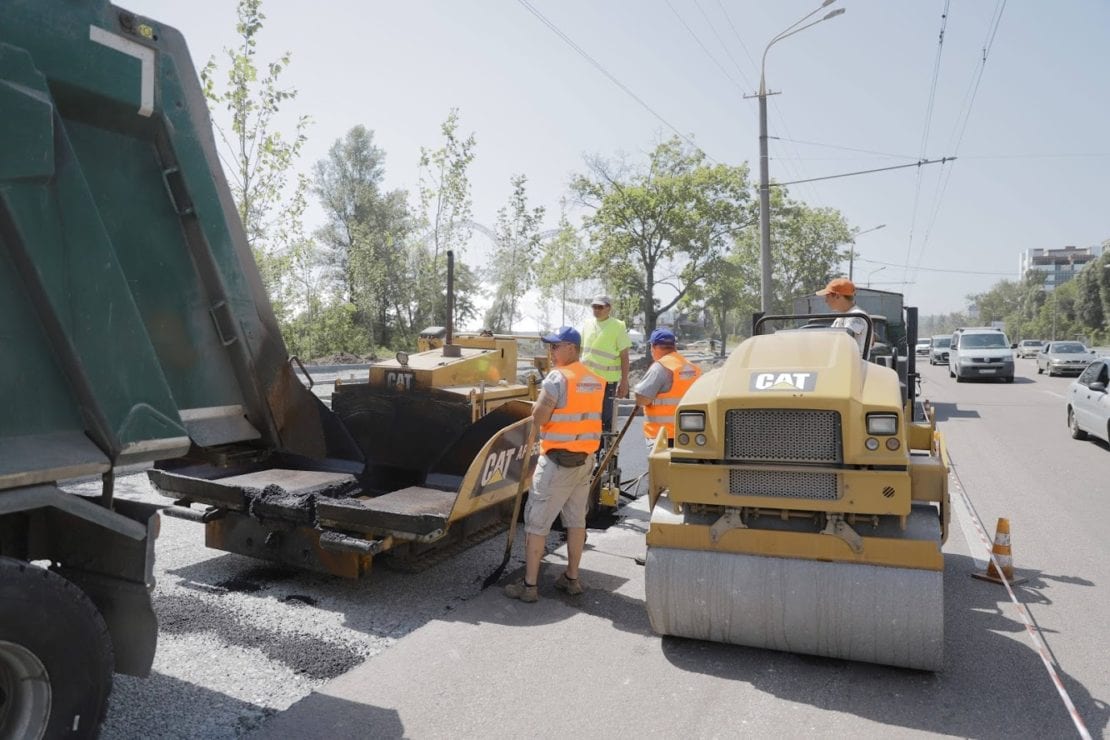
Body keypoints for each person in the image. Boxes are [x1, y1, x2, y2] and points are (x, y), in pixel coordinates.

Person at [504, 326, 605, 603]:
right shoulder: (594, 379)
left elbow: (538, 416)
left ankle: (529, 586)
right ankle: (572, 579)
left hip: (557, 463)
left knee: (537, 523)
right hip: (584, 462)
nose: (550, 351)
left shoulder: (557, 378)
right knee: (576, 521)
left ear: (571, 348)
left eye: (555, 346)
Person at [633, 328, 702, 451]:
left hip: (662, 437)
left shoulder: (660, 368)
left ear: (654, 347)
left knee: (661, 470)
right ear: (674, 346)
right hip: (690, 436)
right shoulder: (694, 369)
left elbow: (642, 399)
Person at [580, 295, 631, 435]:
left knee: (604, 420)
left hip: (607, 381)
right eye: (594, 307)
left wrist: (624, 381)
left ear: (609, 308)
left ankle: (602, 452)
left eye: (600, 307)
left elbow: (624, 357)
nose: (596, 310)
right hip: (586, 381)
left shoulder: (618, 326)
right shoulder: (587, 324)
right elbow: (581, 351)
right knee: (585, 418)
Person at [816, 277, 869, 356]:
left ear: (837, 296)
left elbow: (844, 338)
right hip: (842, 363)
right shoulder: (841, 317)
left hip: (854, 365)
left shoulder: (858, 316)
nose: (826, 301)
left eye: (827, 296)